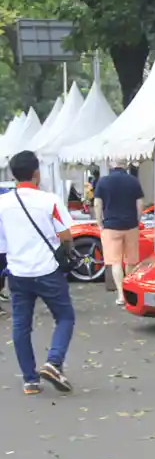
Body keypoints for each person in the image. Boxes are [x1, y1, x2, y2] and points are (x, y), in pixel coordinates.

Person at [0, 151, 75, 395]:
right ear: (36, 173)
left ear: (13, 174)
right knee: (65, 316)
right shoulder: (49, 201)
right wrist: (66, 249)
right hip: (47, 270)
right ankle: (53, 362)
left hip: (18, 273)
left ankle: (30, 381)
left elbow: (2, 245)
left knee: (21, 326)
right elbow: (65, 235)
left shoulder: (2, 205)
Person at [93, 158, 145, 305]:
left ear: (111, 164)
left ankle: (121, 295)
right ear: (125, 165)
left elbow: (97, 204)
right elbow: (140, 203)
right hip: (131, 225)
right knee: (131, 261)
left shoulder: (103, 181)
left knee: (115, 262)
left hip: (110, 226)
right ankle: (130, 294)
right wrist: (137, 219)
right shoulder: (133, 181)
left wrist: (99, 222)